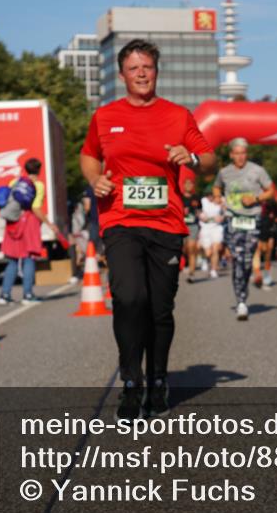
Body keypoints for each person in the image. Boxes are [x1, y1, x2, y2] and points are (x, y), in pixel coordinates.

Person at [80, 38, 216, 420]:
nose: (142, 73)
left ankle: (158, 379)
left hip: (166, 222)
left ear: (156, 72)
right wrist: (95, 180)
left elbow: (209, 162)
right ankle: (130, 382)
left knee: (159, 309)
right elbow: (89, 155)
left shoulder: (178, 115)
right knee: (128, 298)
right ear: (122, 74)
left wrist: (188, 156)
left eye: (148, 67)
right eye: (134, 68)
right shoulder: (105, 117)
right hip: (120, 219)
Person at [212, 138, 275, 320]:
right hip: (233, 218)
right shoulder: (224, 172)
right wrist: (218, 198)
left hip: (252, 219)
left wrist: (256, 199)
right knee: (238, 258)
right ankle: (241, 300)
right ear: (231, 155)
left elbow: (270, 191)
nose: (240, 157)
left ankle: (242, 291)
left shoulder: (257, 170)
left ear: (246, 154)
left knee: (247, 260)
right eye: (236, 153)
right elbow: (216, 188)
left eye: (243, 153)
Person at [0, 158, 64, 305]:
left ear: (25, 169)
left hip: (13, 222)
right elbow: (35, 208)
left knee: (13, 259)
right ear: (39, 170)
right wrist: (49, 224)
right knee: (29, 258)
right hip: (29, 223)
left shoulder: (14, 182)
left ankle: (4, 295)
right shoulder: (38, 185)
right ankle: (28, 295)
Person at [197, 188, 225, 278]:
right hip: (205, 228)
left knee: (215, 249)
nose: (210, 197)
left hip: (217, 228)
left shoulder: (221, 200)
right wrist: (201, 216)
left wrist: (222, 217)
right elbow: (197, 211)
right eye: (208, 195)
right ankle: (204, 258)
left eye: (211, 195)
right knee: (208, 252)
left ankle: (213, 270)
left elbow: (226, 212)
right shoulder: (203, 201)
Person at [182, 177, 202, 283]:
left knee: (191, 249)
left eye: (191, 184)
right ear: (184, 185)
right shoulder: (179, 197)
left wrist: (199, 214)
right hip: (181, 225)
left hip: (193, 226)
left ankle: (191, 274)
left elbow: (200, 210)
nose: (189, 186)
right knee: (184, 249)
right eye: (187, 184)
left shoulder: (196, 198)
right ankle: (185, 262)